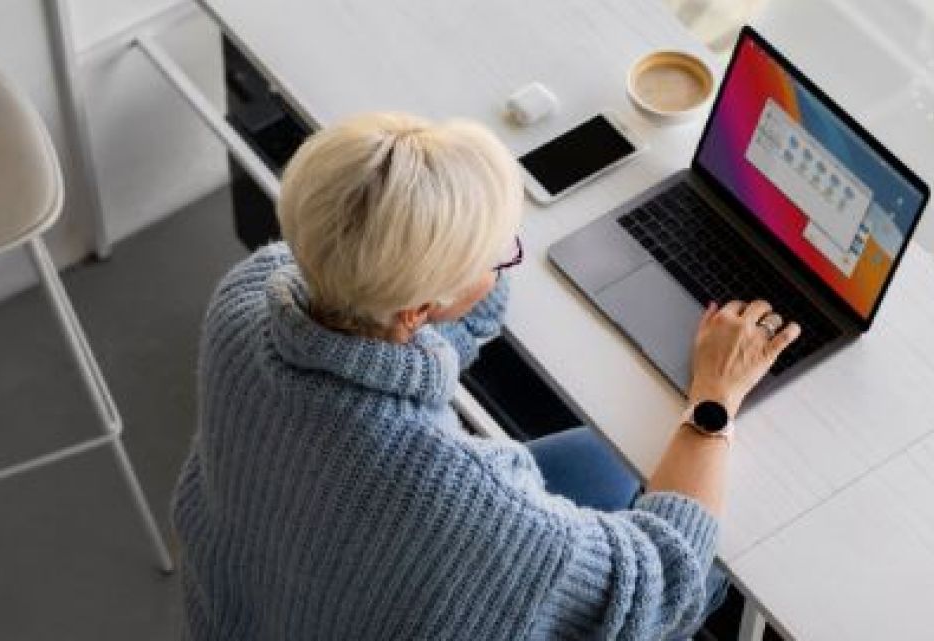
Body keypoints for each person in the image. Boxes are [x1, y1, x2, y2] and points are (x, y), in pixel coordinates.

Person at [172, 112, 800, 640]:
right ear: (417, 309)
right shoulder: (466, 504)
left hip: (255, 605)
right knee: (723, 554)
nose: (505, 262)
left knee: (603, 457)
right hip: (367, 582)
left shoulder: (252, 293)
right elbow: (666, 583)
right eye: (501, 253)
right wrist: (714, 398)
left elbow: (440, 321)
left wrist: (453, 211)